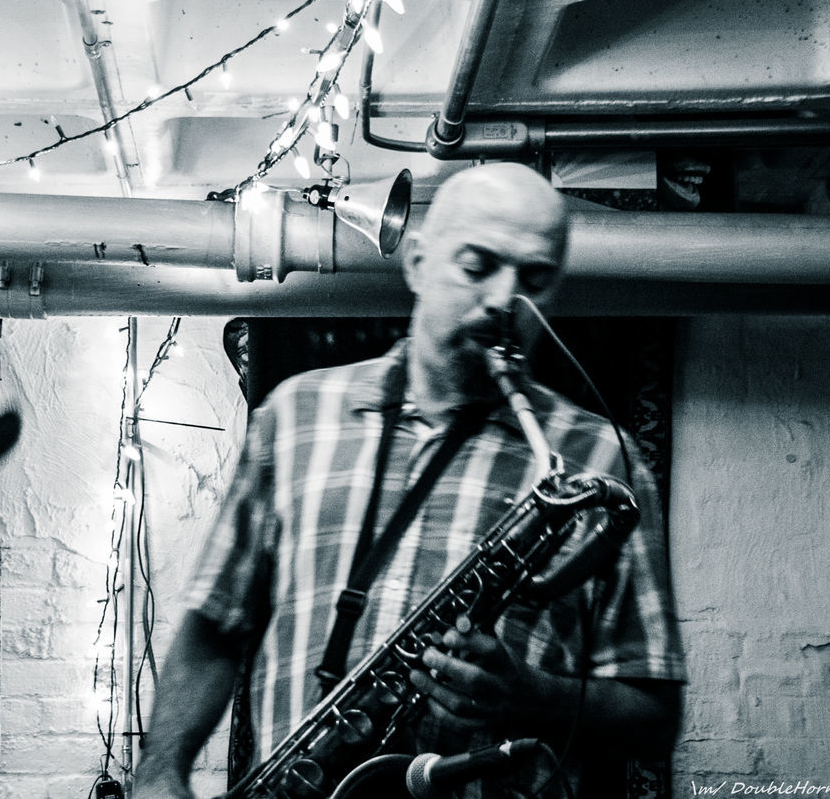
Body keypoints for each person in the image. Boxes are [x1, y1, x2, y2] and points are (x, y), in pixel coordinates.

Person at [133, 162, 685, 799]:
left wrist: (534, 697)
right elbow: (215, 622)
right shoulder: (295, 415)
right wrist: (159, 772)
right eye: (478, 265)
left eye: (533, 280)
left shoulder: (601, 461)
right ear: (417, 263)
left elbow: (654, 720)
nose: (505, 299)